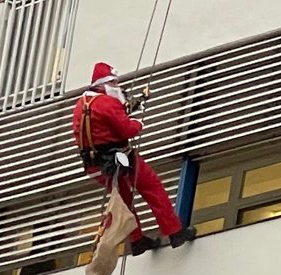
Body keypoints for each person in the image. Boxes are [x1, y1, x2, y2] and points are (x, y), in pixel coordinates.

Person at [72, 61, 193, 255]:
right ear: (103, 84)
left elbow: (100, 126)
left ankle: (136, 240)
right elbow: (126, 129)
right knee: (151, 187)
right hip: (120, 157)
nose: (118, 87)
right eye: (114, 83)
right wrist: (138, 124)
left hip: (95, 165)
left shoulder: (81, 104)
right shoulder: (107, 103)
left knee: (123, 199)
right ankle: (174, 231)